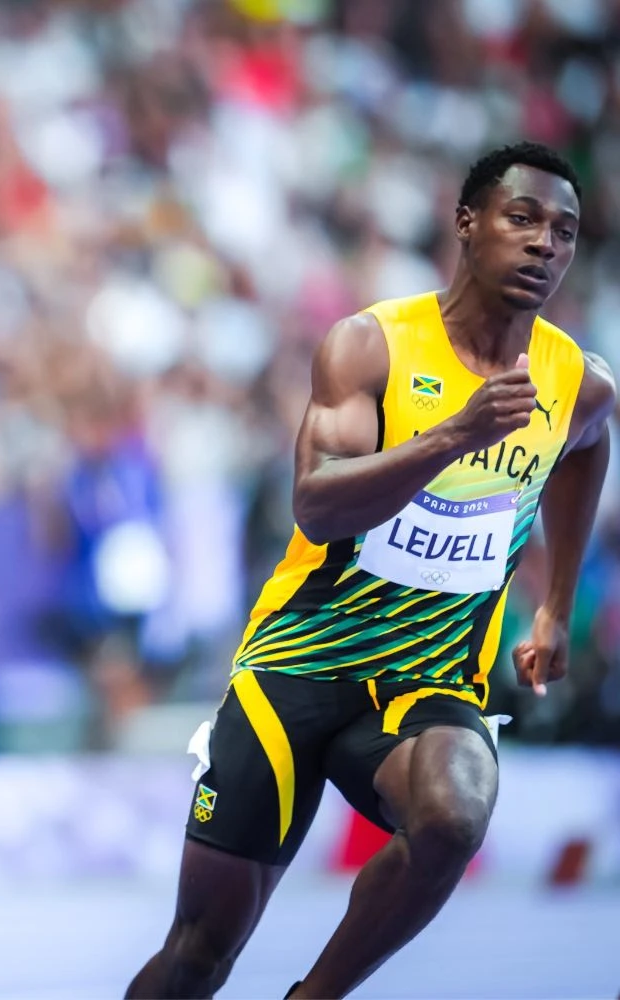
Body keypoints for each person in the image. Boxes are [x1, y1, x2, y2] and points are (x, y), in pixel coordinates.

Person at [128, 141, 614, 999]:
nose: (546, 244)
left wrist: (554, 605)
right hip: (297, 670)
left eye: (566, 232)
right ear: (468, 223)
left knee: (458, 811)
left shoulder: (576, 381)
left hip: (425, 682)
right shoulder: (372, 347)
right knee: (199, 952)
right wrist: (452, 438)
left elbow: (586, 449)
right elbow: (317, 505)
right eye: (523, 218)